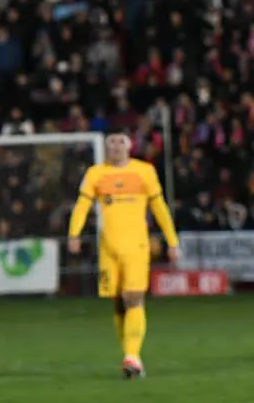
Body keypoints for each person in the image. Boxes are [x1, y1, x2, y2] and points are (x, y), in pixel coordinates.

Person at [67, 131, 180, 378]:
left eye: (121, 141)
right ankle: (130, 356)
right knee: (118, 303)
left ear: (129, 146)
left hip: (136, 246)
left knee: (133, 298)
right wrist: (74, 234)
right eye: (112, 142)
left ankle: (132, 357)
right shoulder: (96, 174)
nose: (116, 146)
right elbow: (82, 205)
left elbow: (159, 208)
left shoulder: (144, 172)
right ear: (107, 147)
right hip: (108, 248)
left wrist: (172, 241)